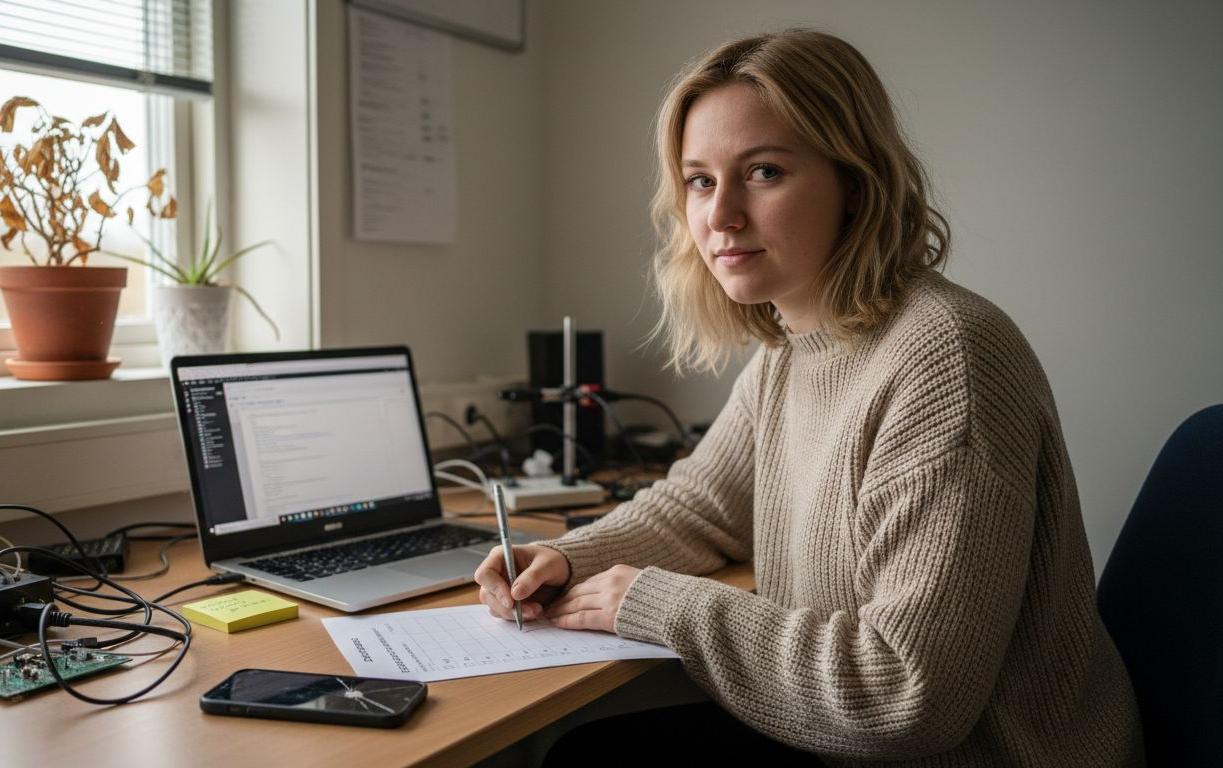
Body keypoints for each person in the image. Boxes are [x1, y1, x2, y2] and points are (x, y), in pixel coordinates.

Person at [473, 28, 1144, 766]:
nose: (721, 215)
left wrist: (657, 603)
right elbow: (701, 510)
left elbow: (905, 694)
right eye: (700, 180)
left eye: (762, 172)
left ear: (855, 184)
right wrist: (563, 560)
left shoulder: (948, 359)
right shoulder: (791, 353)